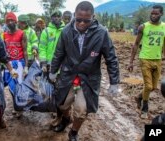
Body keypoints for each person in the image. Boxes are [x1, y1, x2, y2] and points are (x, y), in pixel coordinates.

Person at [48, 1, 120, 141]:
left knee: (82, 110)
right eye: (78, 19)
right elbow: (59, 53)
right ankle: (66, 119)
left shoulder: (102, 33)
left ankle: (73, 132)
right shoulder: (66, 31)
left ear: (93, 17)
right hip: (68, 73)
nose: (81, 23)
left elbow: (111, 58)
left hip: (89, 76)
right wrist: (53, 70)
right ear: (75, 15)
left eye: (86, 20)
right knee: (61, 103)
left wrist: (114, 82)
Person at [128, 5, 165, 119]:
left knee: (154, 87)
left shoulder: (164, 27)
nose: (153, 16)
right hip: (145, 59)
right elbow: (135, 44)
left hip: (157, 59)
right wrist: (131, 62)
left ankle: (139, 97)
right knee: (148, 86)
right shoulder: (143, 27)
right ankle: (144, 108)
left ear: (161, 14)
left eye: (156, 14)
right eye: (152, 13)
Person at [3, 12, 28, 84]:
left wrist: (26, 66)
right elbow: (4, 51)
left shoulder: (22, 33)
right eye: (8, 21)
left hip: (19, 62)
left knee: (19, 84)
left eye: (11, 20)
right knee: (10, 84)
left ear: (15, 21)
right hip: (9, 63)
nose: (10, 22)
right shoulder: (4, 35)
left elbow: (25, 51)